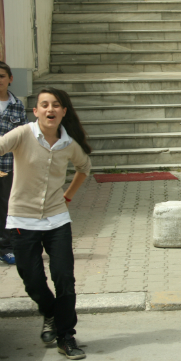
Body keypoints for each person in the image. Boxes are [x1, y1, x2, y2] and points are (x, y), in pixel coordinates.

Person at [2, 88, 91, 359]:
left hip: (57, 220)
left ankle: (67, 336)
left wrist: (68, 196)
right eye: (44, 105)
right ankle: (50, 312)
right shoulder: (22, 134)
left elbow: (84, 167)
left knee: (64, 277)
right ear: (36, 111)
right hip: (22, 220)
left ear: (64, 111)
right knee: (32, 281)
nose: (50, 110)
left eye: (55, 105)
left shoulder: (69, 144)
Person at [0, 62, 27, 265]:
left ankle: (7, 247)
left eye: (1, 76)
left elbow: (24, 138)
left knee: (7, 208)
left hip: (8, 166)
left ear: (10, 79)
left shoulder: (17, 105)